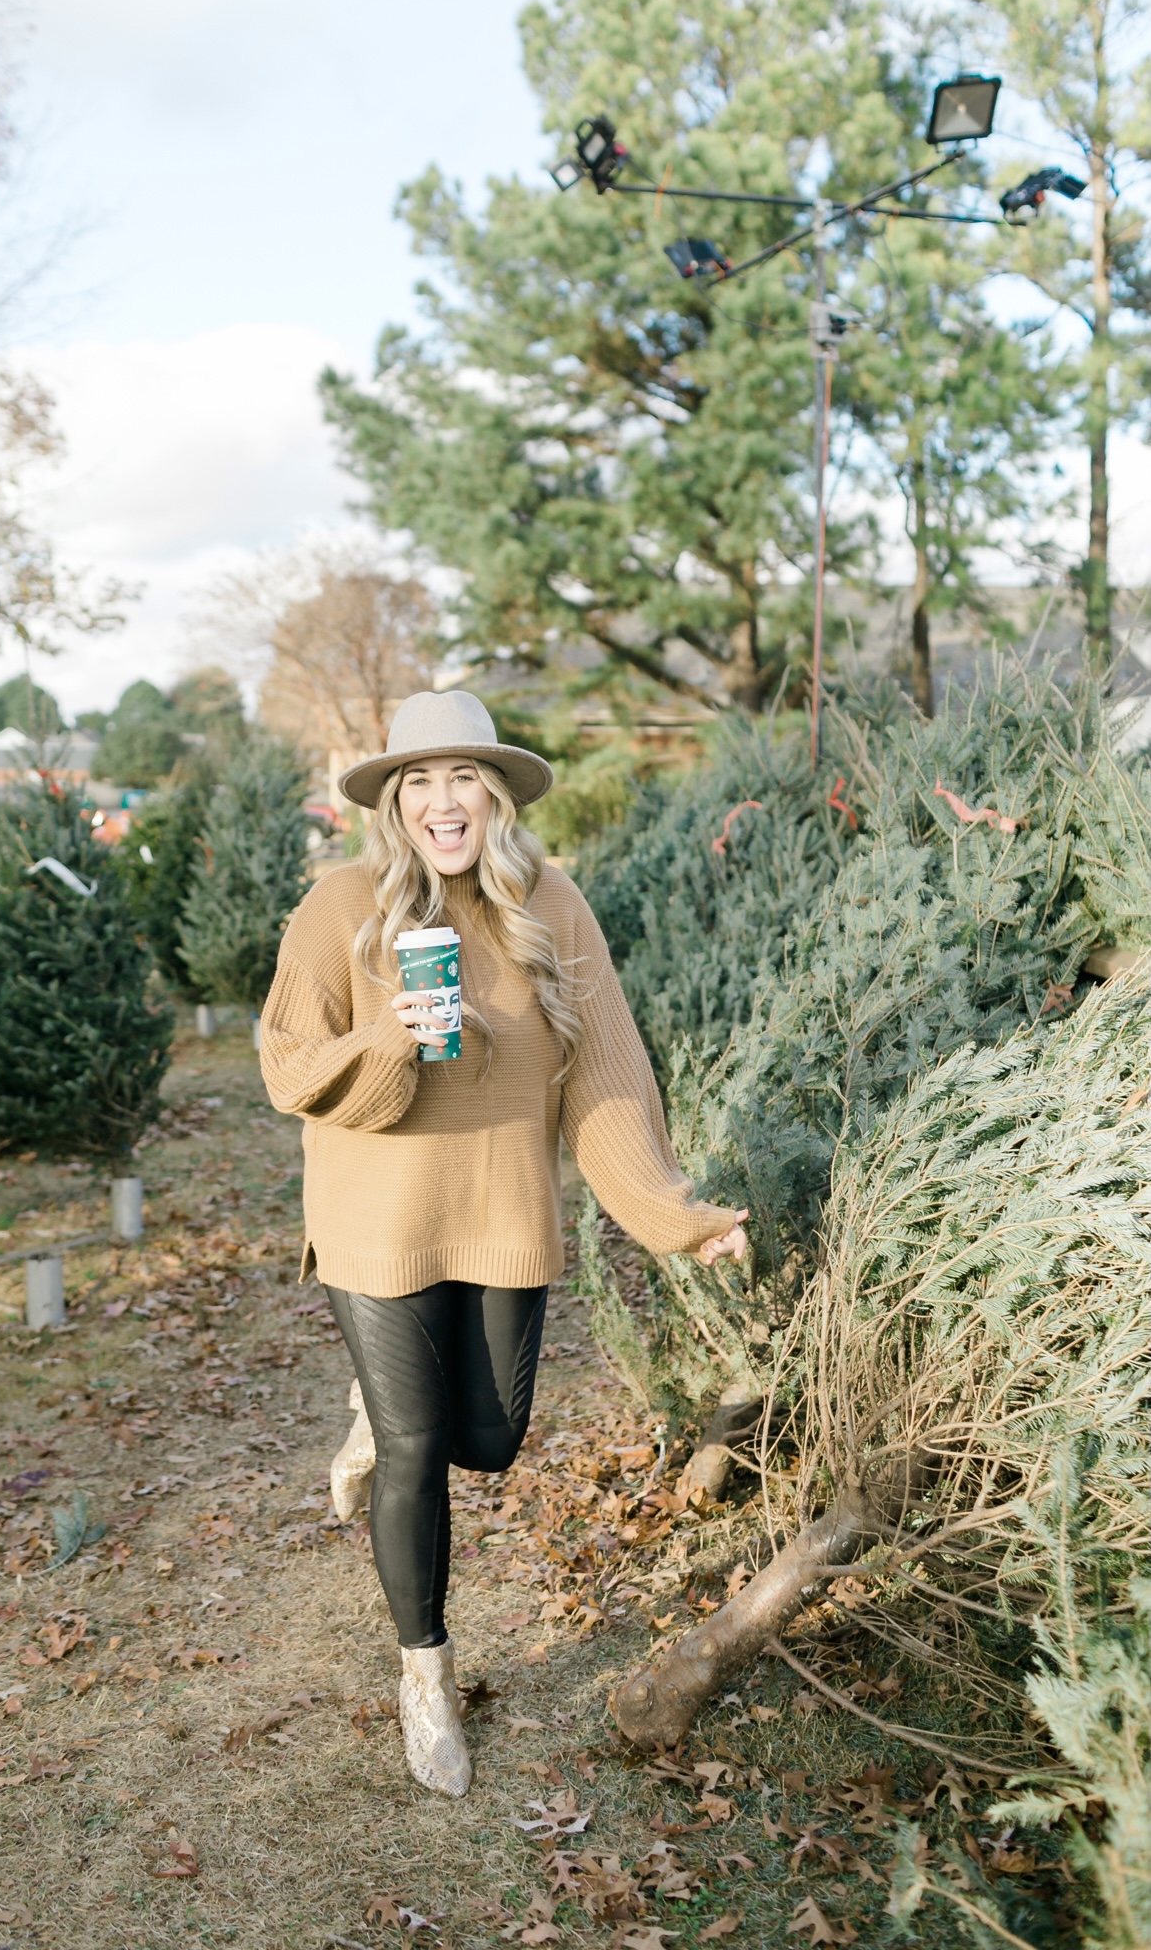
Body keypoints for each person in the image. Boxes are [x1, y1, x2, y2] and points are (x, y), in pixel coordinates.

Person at [259, 690, 748, 1798]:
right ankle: (425, 1674)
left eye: (464, 777)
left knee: (491, 1435)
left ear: (494, 794)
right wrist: (393, 1036)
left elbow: (608, 1078)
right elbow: (289, 1066)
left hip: (499, 1212)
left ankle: (377, 1417)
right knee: (420, 1444)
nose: (445, 799)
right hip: (372, 1218)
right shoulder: (338, 906)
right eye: (420, 779)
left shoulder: (549, 902)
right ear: (393, 799)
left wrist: (677, 1213)